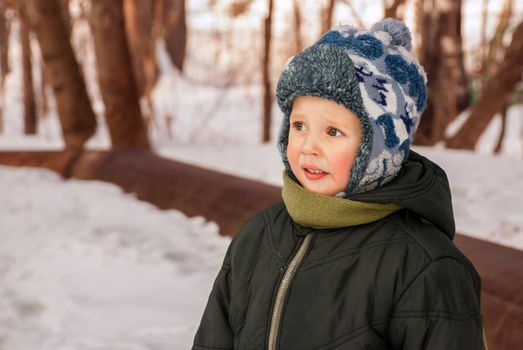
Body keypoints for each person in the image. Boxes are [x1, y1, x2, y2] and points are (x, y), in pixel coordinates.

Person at [192, 18, 486, 350]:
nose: (308, 146)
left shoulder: (423, 266)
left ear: (379, 149)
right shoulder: (258, 237)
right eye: (299, 125)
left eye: (333, 132)